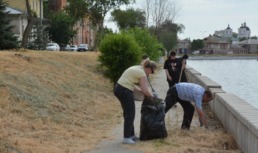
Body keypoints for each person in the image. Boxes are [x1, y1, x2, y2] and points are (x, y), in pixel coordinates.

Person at [114, 59, 157, 144]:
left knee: (127, 113)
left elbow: (133, 84)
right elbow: (145, 90)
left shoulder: (138, 68)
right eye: (152, 72)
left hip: (118, 88)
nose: (150, 73)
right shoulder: (142, 73)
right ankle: (126, 138)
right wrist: (153, 97)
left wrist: (141, 91)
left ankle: (131, 135)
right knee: (130, 113)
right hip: (125, 90)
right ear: (149, 68)